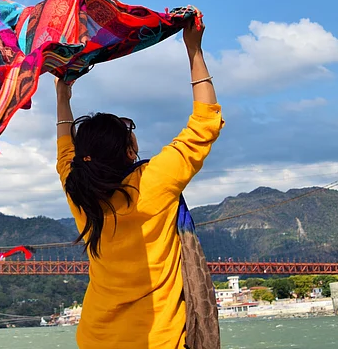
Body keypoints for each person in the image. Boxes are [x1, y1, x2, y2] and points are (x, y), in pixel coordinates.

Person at [55, 20, 223, 349]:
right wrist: (194, 49)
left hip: (96, 338)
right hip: (157, 340)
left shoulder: (79, 191)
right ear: (129, 149)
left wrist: (62, 95)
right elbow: (205, 123)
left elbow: (65, 155)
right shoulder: (154, 181)